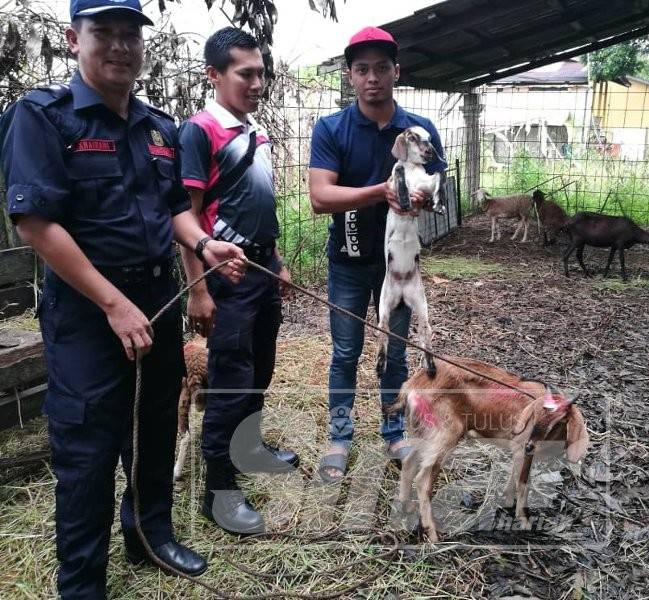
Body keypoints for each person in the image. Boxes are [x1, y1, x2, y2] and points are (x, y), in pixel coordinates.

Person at [0, 1, 248, 597]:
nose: (119, 46)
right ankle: (82, 583)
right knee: (86, 444)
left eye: (130, 34)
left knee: (155, 423)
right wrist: (112, 303)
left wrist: (204, 244)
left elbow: (169, 212)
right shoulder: (43, 117)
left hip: (156, 296)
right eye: (102, 33)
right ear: (72, 39)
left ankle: (149, 536)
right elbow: (35, 223)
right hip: (88, 309)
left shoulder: (157, 126)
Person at [308, 26, 447, 483]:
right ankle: (340, 436)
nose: (373, 78)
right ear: (350, 76)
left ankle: (393, 430)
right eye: (363, 69)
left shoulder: (418, 131)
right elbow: (319, 197)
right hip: (349, 260)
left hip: (401, 262)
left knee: (398, 352)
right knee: (345, 351)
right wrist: (383, 190)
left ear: (396, 72)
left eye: (382, 68)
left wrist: (426, 196)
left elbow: (436, 183)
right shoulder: (332, 129)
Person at [178, 27, 300, 535]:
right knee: (230, 382)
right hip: (223, 276)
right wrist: (198, 289)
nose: (257, 82)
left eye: (261, 73)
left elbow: (256, 207)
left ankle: (249, 448)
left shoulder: (254, 131)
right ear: (215, 75)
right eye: (245, 73)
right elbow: (183, 216)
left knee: (260, 370)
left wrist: (277, 260)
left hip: (260, 270)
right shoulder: (200, 131)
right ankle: (219, 492)